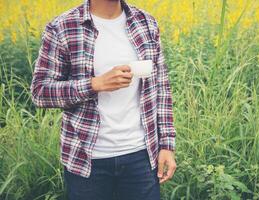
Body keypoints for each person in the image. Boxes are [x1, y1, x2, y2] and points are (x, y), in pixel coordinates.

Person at [30, 0, 177, 199]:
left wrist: (167, 144)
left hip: (141, 155)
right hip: (87, 160)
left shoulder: (146, 23)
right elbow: (40, 92)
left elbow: (162, 88)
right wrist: (94, 84)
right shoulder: (63, 27)